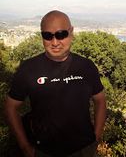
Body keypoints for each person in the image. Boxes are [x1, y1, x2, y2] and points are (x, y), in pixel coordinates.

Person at [4, 10, 107, 157]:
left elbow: (100, 100)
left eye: (61, 34)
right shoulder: (28, 69)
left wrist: (96, 138)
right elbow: (10, 107)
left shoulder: (86, 66)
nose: (55, 42)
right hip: (44, 151)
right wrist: (25, 146)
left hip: (84, 149)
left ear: (71, 32)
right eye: (47, 36)